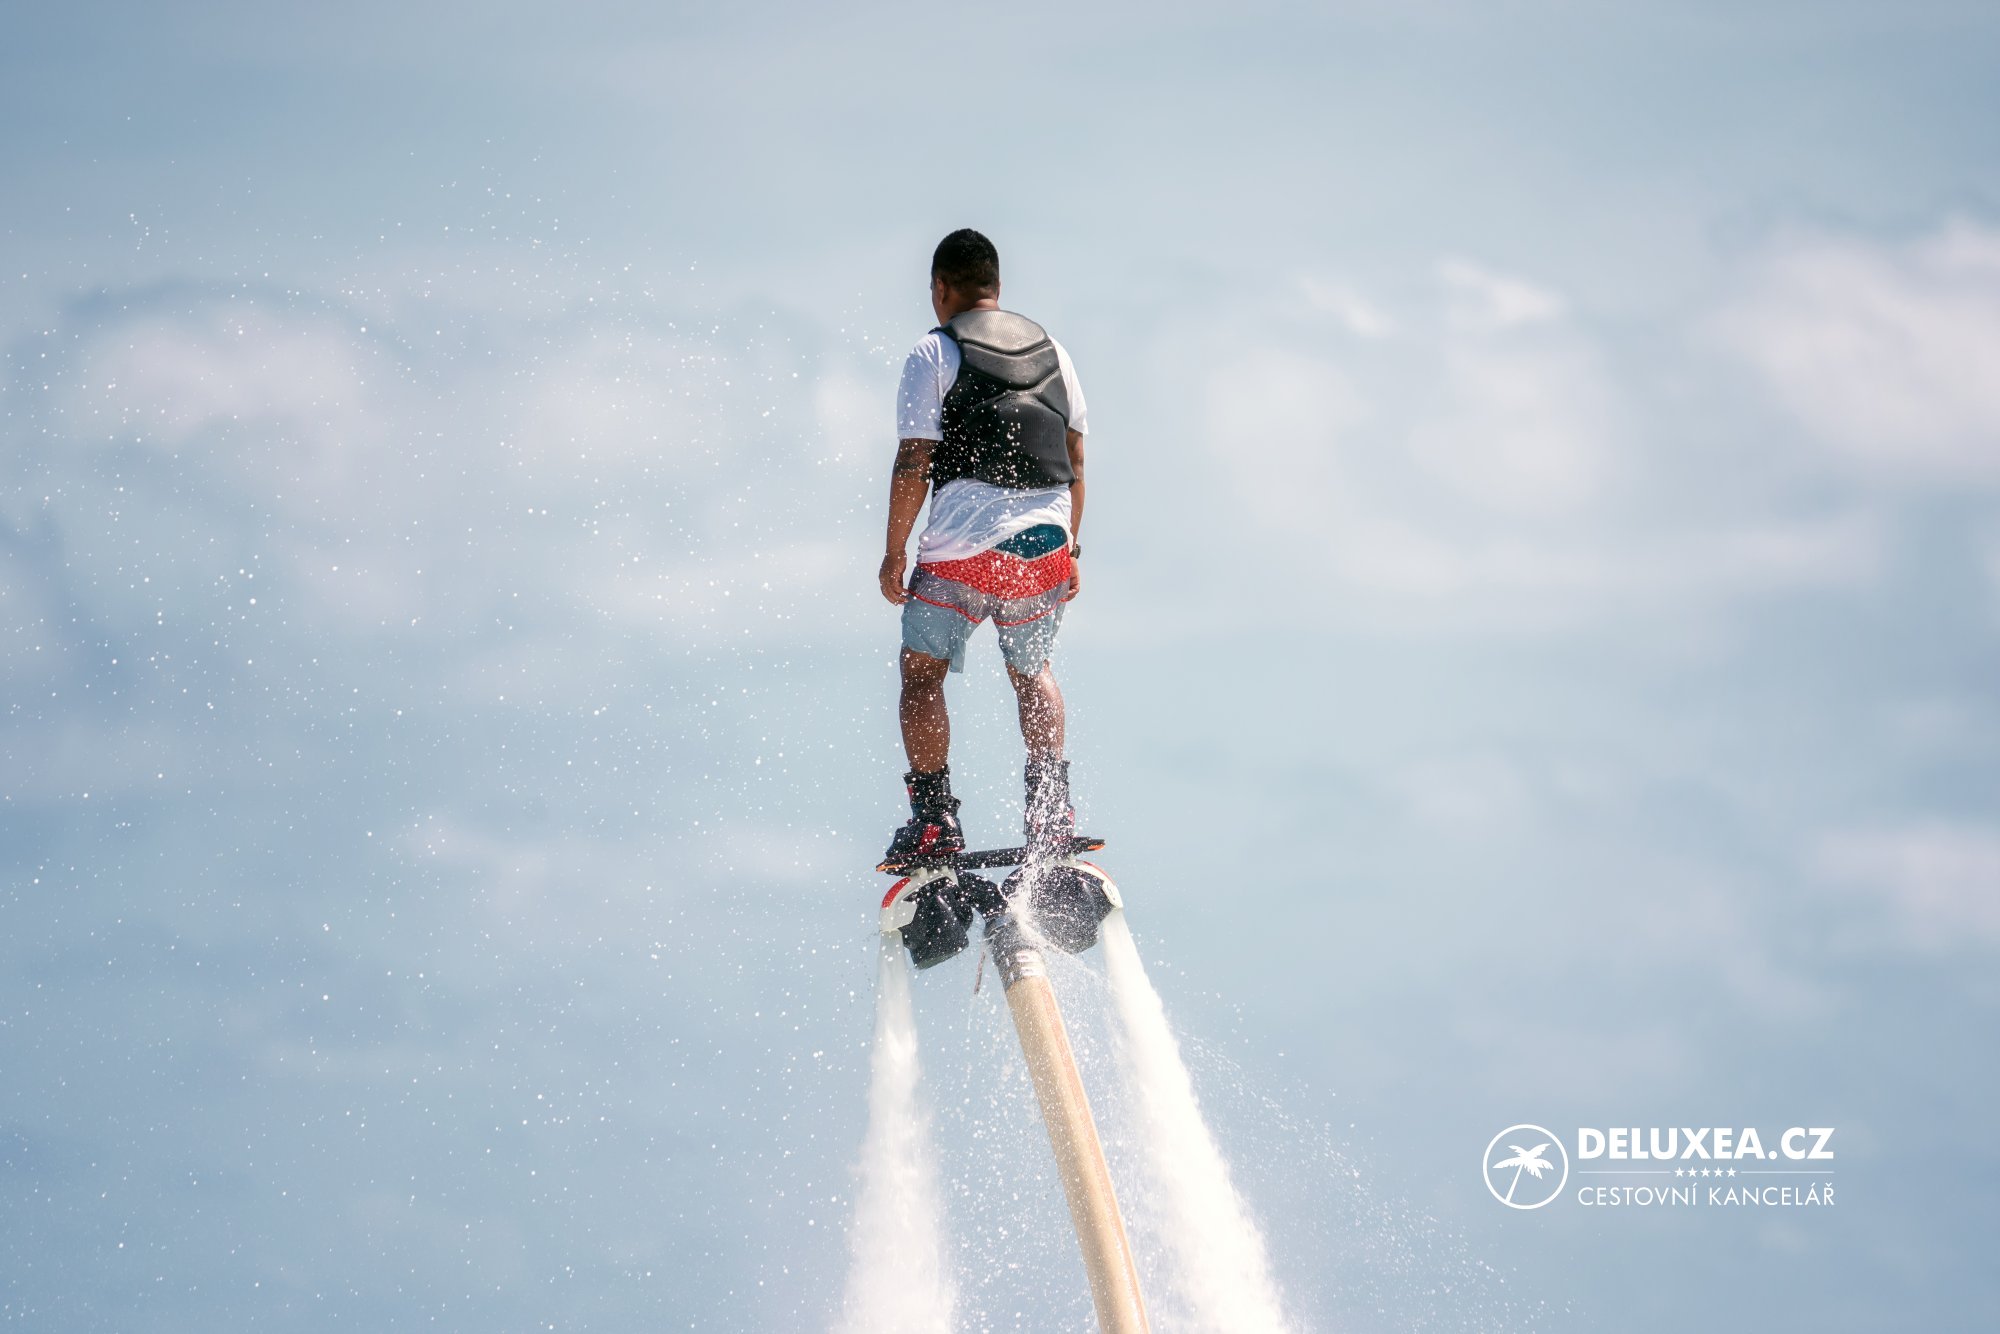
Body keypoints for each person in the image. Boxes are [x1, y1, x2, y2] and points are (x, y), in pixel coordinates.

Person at [879, 228, 1088, 860]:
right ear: (997, 286)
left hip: (963, 548)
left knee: (922, 675)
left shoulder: (934, 350)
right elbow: (1076, 456)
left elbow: (915, 459)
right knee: (1033, 672)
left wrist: (895, 553)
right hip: (1046, 545)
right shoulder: (1054, 350)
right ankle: (1050, 816)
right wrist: (1071, 549)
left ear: (940, 288)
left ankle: (935, 818)